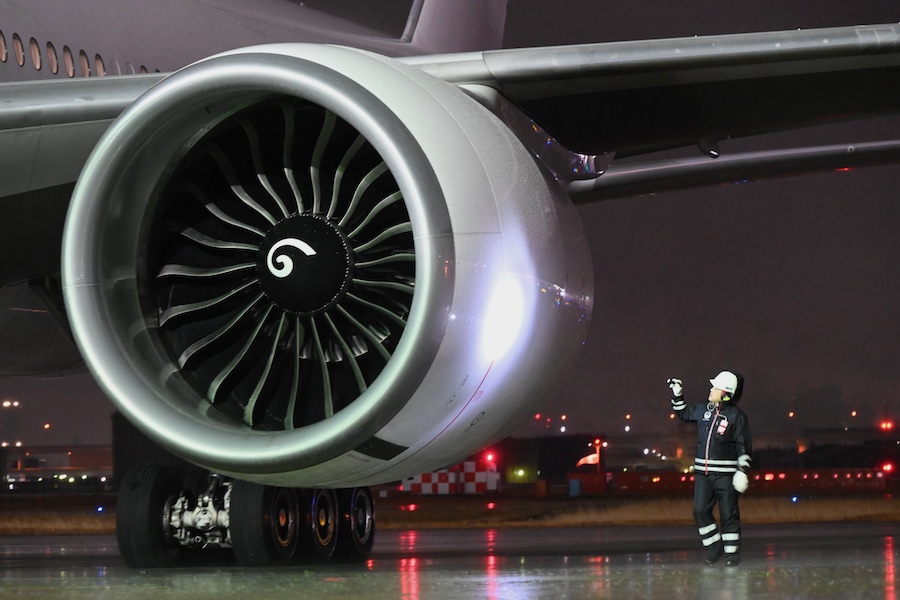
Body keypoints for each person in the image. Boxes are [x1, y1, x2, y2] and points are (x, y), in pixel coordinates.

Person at [668, 371, 752, 566]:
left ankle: (731, 555)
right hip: (703, 474)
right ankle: (714, 548)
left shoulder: (736, 416)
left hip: (726, 475)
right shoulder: (703, 409)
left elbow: (743, 445)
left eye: (715, 387)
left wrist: (742, 470)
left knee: (728, 514)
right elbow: (684, 413)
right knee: (699, 511)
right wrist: (677, 393)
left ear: (725, 393)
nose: (710, 389)